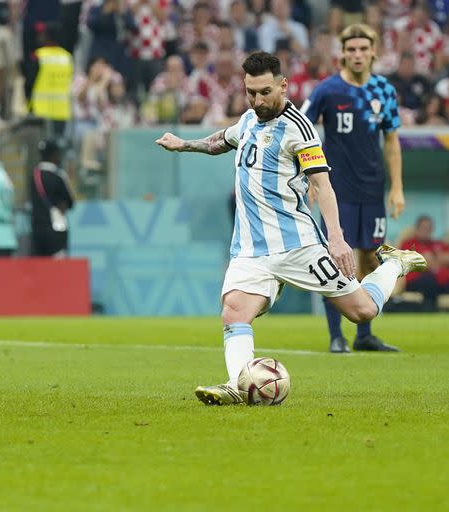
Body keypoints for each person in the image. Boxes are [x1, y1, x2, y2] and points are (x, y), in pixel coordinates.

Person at [155, 52, 427, 405]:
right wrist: (185, 145)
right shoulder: (250, 119)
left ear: (283, 85)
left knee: (362, 311)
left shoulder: (299, 129)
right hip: (251, 248)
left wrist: (338, 238)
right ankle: (238, 385)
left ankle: (394, 264)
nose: (257, 100)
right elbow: (221, 140)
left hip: (298, 245)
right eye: (250, 92)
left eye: (265, 91)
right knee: (234, 311)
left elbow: (323, 186)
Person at [300, 24, 404, 353]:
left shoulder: (384, 90)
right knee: (337, 260)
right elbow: (303, 130)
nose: (357, 55)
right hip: (338, 189)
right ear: (342, 53)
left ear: (374, 52)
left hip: (373, 189)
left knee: (371, 260)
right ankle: (336, 336)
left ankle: (364, 335)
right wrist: (310, 177)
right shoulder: (327, 90)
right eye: (351, 49)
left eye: (363, 49)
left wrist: (397, 187)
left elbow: (391, 141)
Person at [398, 215, 449, 311]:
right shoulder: (408, 244)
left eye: (429, 228)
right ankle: (431, 311)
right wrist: (439, 260)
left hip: (443, 282)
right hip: (417, 281)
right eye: (423, 228)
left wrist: (433, 259)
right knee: (429, 280)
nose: (426, 231)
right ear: (417, 229)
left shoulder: (438, 244)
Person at [30, 139, 74, 257]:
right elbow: (70, 202)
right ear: (54, 154)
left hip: (37, 228)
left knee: (40, 269)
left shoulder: (34, 175)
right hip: (57, 228)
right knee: (58, 268)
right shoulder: (58, 175)